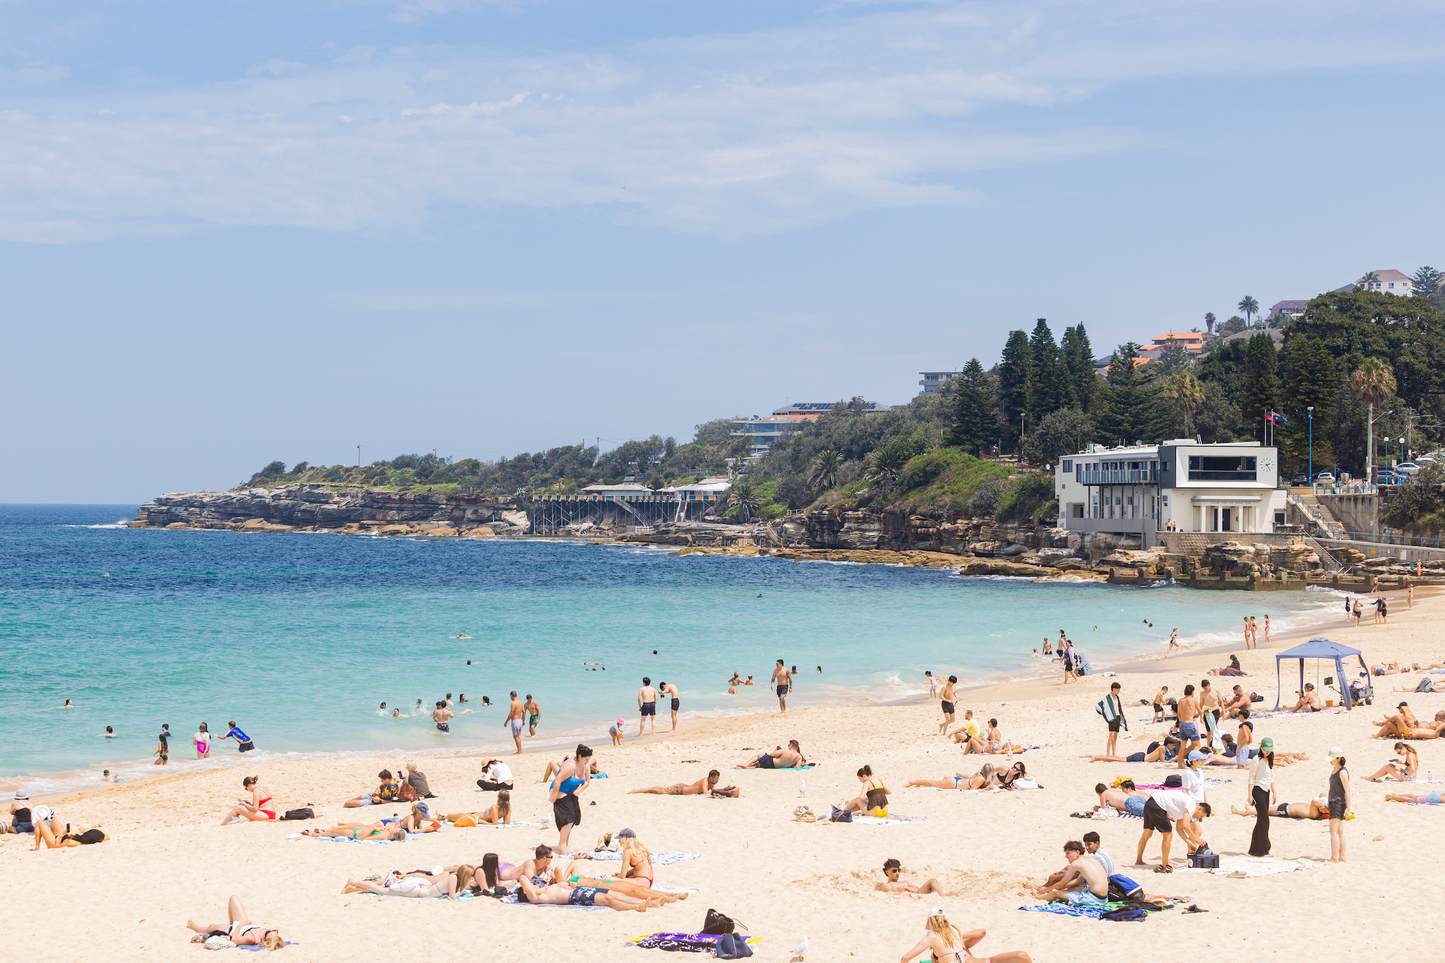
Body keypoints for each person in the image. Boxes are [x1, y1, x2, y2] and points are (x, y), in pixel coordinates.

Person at [896, 909, 1032, 963]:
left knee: (1023, 956)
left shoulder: (959, 941)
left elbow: (982, 932)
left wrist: (958, 936)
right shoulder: (938, 954)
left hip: (987, 961)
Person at [1135, 786, 1210, 870]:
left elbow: (1179, 828)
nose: (1198, 818)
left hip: (1150, 803)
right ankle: (1165, 864)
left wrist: (1189, 843)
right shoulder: (1192, 806)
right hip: (1158, 805)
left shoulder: (1186, 807)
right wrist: (1196, 840)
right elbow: (1186, 826)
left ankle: (1139, 860)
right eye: (1201, 816)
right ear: (1199, 809)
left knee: (1147, 834)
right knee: (1168, 835)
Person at [1029, 840, 1110, 907]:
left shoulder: (1076, 864)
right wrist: (1064, 888)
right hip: (1104, 898)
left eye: (1068, 853)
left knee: (1055, 892)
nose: (1066, 856)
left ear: (1077, 853)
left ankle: (1038, 896)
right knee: (1073, 889)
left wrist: (1045, 890)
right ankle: (1042, 892)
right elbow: (1078, 881)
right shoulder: (1092, 859)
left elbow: (1061, 884)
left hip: (1094, 899)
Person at [514, 874, 655, 912]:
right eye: (529, 887)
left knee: (616, 894)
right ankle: (638, 907)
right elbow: (523, 878)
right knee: (607, 899)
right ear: (526, 893)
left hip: (577, 890)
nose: (532, 884)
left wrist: (564, 883)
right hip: (574, 897)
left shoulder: (541, 889)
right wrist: (526, 887)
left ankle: (650, 903)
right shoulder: (535, 897)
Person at [186, 896, 284, 950]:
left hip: (233, 930)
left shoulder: (251, 939)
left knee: (211, 927)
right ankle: (232, 923)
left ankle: (195, 927)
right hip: (244, 925)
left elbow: (233, 941)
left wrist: (239, 926)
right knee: (233, 898)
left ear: (265, 939)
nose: (269, 930)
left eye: (268, 932)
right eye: (274, 930)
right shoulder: (267, 933)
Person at [549, 744, 593, 853]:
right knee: (569, 816)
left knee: (574, 817)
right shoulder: (570, 766)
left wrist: (579, 790)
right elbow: (558, 780)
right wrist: (553, 797)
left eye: (589, 759)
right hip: (559, 790)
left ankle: (565, 844)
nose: (588, 762)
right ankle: (561, 844)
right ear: (579, 756)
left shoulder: (586, 766)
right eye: (586, 759)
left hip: (572, 792)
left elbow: (587, 781)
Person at [343, 866, 472, 898]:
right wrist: (462, 889)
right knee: (382, 891)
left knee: (383, 891)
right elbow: (454, 897)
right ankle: (354, 881)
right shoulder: (454, 879)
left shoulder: (455, 876)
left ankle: (354, 888)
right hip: (419, 891)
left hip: (421, 888)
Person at [1246, 737, 1275, 856]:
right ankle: (1264, 848)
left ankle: (1254, 849)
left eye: (1269, 749)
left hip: (1266, 790)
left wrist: (1274, 793)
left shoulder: (1270, 759)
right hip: (1257, 790)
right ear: (1260, 747)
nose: (1267, 752)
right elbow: (1251, 777)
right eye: (1265, 749)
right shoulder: (1256, 759)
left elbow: (1271, 777)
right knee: (1264, 819)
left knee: (1261, 819)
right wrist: (1249, 795)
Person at [629, 769, 739, 797]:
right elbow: (706, 793)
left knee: (661, 790)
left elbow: (713, 790)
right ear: (711, 778)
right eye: (716, 779)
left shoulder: (711, 784)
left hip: (682, 790)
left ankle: (640, 790)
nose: (717, 781)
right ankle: (637, 790)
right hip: (680, 789)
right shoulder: (705, 781)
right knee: (658, 790)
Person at [879, 858, 956, 895]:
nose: (898, 873)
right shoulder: (886, 885)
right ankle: (943, 899)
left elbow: (918, 889)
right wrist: (907, 889)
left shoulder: (905, 882)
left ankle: (943, 897)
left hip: (918, 893)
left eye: (899, 870)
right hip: (915, 895)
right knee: (932, 880)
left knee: (953, 893)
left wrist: (906, 888)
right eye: (894, 871)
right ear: (887, 872)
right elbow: (896, 893)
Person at [1328, 748, 1350, 862]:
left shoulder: (1342, 772)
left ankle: (1335, 857)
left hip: (1338, 803)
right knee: (1339, 831)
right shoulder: (1335, 770)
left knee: (1334, 831)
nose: (1330, 761)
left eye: (1332, 759)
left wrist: (1348, 807)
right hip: (1334, 802)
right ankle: (1342, 857)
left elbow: (1347, 790)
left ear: (1338, 758)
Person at [1098, 682, 1127, 757]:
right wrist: (1106, 716)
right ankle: (1108, 754)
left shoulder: (1117, 697)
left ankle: (1114, 753)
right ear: (1114, 689)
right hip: (1112, 718)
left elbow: (1118, 708)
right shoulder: (1107, 698)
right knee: (1111, 736)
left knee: (1115, 736)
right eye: (1118, 689)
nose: (1119, 691)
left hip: (1117, 717)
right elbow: (1099, 706)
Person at [1232, 797, 1329, 820]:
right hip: (1286, 806)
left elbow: (1314, 801)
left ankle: (1243, 813)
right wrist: (1325, 803)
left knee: (1264, 811)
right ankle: (1250, 811)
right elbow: (1322, 795)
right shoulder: (1316, 809)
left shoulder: (1315, 814)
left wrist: (1325, 807)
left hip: (1285, 811)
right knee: (1265, 809)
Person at [1175, 685, 1202, 767]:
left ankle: (1179, 765)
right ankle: (1194, 763)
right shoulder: (1193, 700)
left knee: (1182, 746)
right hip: (1190, 723)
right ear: (1192, 692)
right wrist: (1203, 711)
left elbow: (1179, 714)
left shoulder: (1180, 701)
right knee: (1196, 745)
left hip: (1182, 723)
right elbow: (1199, 711)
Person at [304, 821, 408, 841]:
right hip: (358, 830)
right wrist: (386, 828)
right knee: (334, 830)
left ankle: (311, 834)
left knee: (333, 831)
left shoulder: (381, 837)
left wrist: (373, 828)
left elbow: (363, 839)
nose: (393, 828)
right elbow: (390, 825)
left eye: (395, 829)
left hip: (355, 834)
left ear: (393, 836)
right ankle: (321, 832)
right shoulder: (388, 832)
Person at [737, 740, 805, 769]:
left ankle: (746, 764)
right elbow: (797, 768)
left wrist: (777, 751)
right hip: (776, 767)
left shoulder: (785, 750)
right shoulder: (799, 756)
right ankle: (747, 767)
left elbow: (772, 754)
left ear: (791, 746)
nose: (788, 746)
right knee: (758, 764)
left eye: (788, 745)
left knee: (759, 756)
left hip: (772, 762)